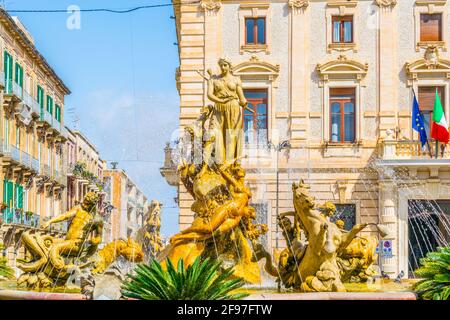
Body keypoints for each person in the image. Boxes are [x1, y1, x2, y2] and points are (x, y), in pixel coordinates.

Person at [207, 58, 247, 166]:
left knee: (231, 134)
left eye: (225, 65)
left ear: (229, 66)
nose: (223, 67)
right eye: (221, 65)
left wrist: (244, 102)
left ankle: (229, 163)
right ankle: (219, 161)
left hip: (233, 107)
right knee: (216, 132)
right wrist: (220, 100)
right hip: (219, 107)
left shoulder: (236, 80)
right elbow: (209, 95)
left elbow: (241, 97)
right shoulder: (214, 79)